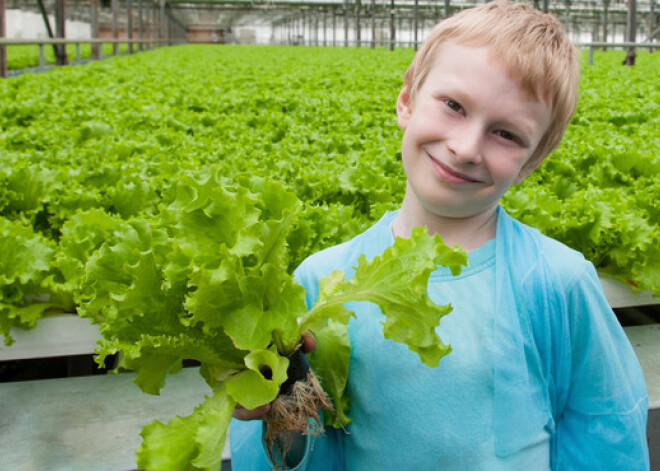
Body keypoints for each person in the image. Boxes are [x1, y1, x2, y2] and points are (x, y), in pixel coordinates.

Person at [229, 1, 650, 469]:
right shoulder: (322, 281)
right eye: (453, 106)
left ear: (532, 163)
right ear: (406, 98)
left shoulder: (557, 283)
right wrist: (275, 414)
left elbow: (606, 431)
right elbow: (304, 448)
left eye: (506, 135)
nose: (466, 148)